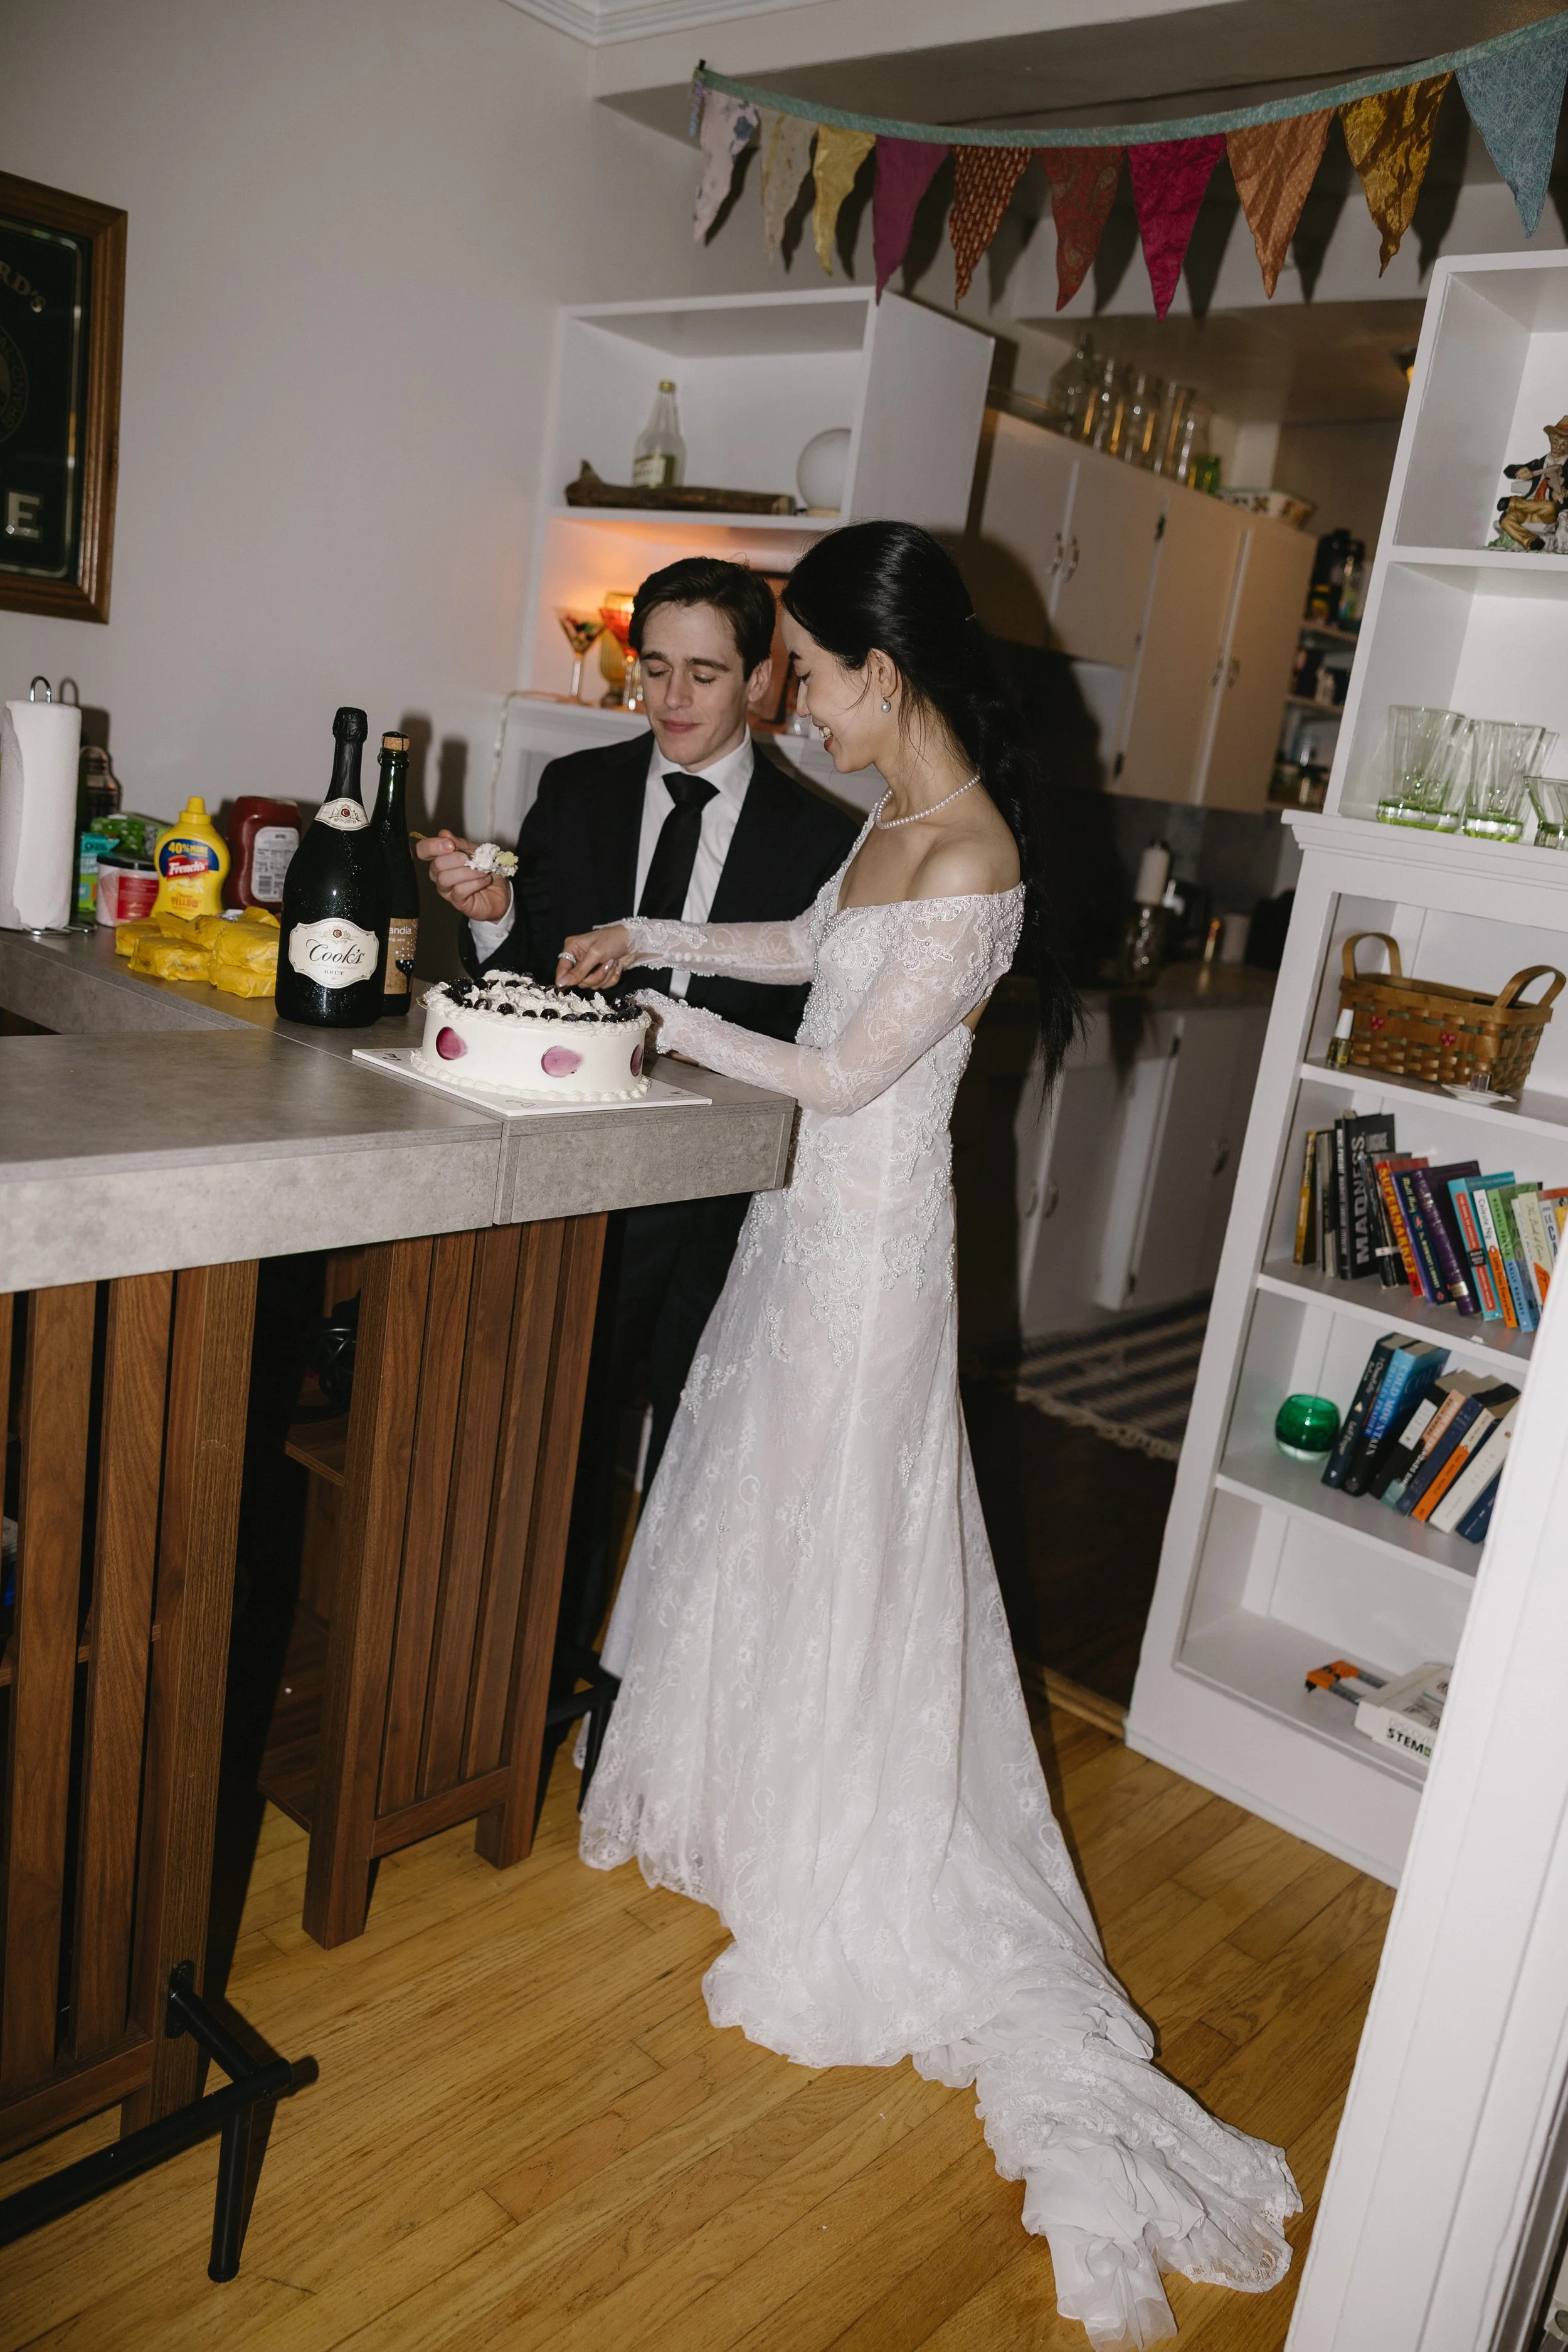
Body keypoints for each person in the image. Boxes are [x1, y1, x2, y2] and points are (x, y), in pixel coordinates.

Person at [559, 522, 1300, 2351]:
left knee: (847, 1519)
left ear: (885, 674)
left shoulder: (970, 853)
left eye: (804, 669)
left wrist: (656, 1022)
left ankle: (852, 1846)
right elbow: (796, 948)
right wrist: (656, 930)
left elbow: (837, 1065)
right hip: (803, 1232)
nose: (792, 696)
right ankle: (755, 1790)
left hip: (876, 1254)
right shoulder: (887, 822)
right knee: (763, 1507)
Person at [417, 558, 855, 1661]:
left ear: (765, 679)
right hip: (588, 1170)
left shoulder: (823, 843)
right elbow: (526, 971)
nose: (670, 699)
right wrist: (493, 909)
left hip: (729, 1192)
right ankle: (544, 1673)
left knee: (701, 1452)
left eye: (705, 673)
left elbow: (816, 1038)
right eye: (653, 667)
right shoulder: (578, 792)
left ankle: (654, 1683)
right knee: (564, 1434)